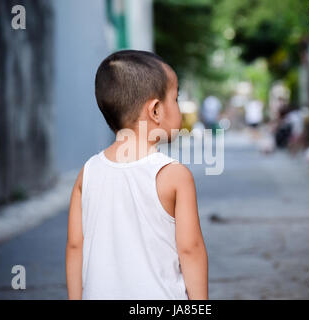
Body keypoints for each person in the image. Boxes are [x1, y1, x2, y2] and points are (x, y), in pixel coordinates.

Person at [66, 50, 208, 300]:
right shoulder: (174, 175)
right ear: (155, 110)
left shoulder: (87, 173)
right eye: (175, 99)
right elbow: (190, 249)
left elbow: (76, 246)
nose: (179, 108)